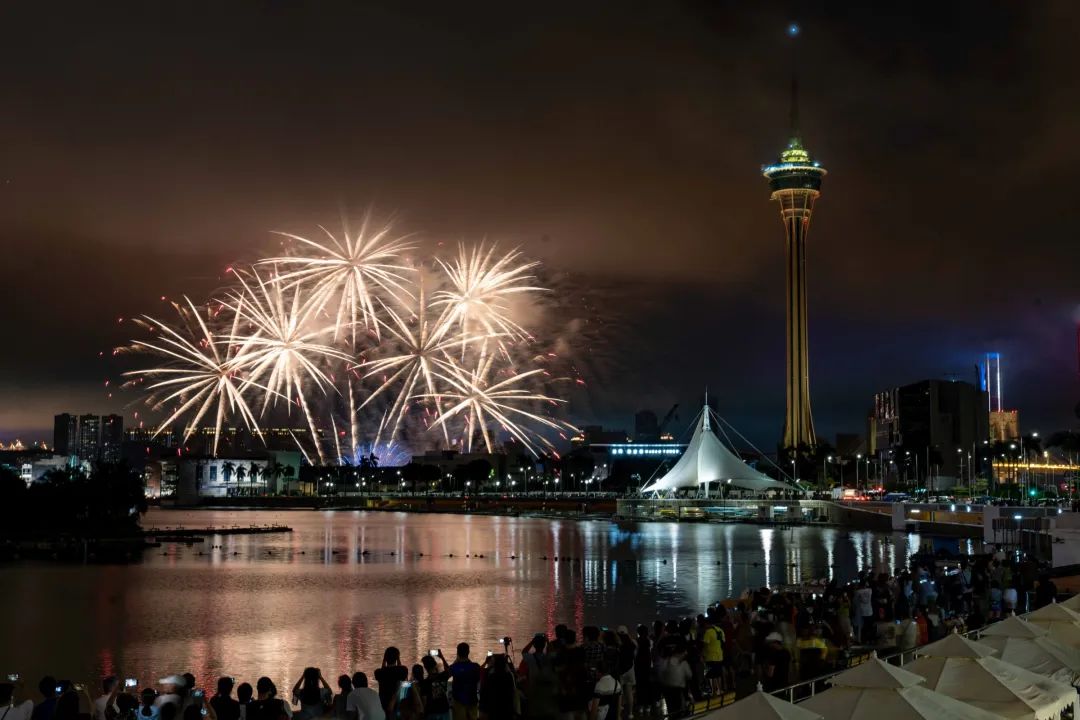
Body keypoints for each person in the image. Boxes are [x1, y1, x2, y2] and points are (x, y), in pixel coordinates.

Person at [517, 635, 557, 720]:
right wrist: (548, 641)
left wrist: (532, 641)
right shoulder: (548, 658)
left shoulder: (530, 658)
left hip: (533, 690)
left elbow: (524, 651)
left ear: (534, 645)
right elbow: (553, 653)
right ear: (544, 646)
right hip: (546, 691)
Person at [656, 646, 691, 718]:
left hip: (667, 688)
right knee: (678, 707)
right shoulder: (683, 663)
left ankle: (672, 716)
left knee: (670, 707)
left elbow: (660, 673)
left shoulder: (665, 661)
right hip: (678, 689)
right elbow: (689, 675)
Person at [478, 655, 517, 720]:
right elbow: (512, 692)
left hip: (493, 708)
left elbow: (484, 694)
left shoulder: (491, 677)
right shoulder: (509, 676)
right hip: (507, 708)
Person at [448, 644, 481, 720]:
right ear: (468, 652)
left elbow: (448, 673)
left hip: (458, 701)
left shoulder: (454, 667)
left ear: (457, 653)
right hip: (472, 700)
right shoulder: (475, 666)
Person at [375, 649, 409, 714]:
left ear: (385, 658)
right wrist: (398, 659)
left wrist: (384, 660)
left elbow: (383, 670)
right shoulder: (403, 670)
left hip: (384, 704)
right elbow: (401, 669)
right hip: (399, 703)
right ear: (397, 658)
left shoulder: (378, 672)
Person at [419, 654, 450, 720]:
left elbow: (424, 701)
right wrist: (442, 657)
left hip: (432, 712)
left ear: (425, 667)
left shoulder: (424, 683)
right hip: (444, 709)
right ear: (435, 664)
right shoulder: (443, 676)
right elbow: (449, 670)